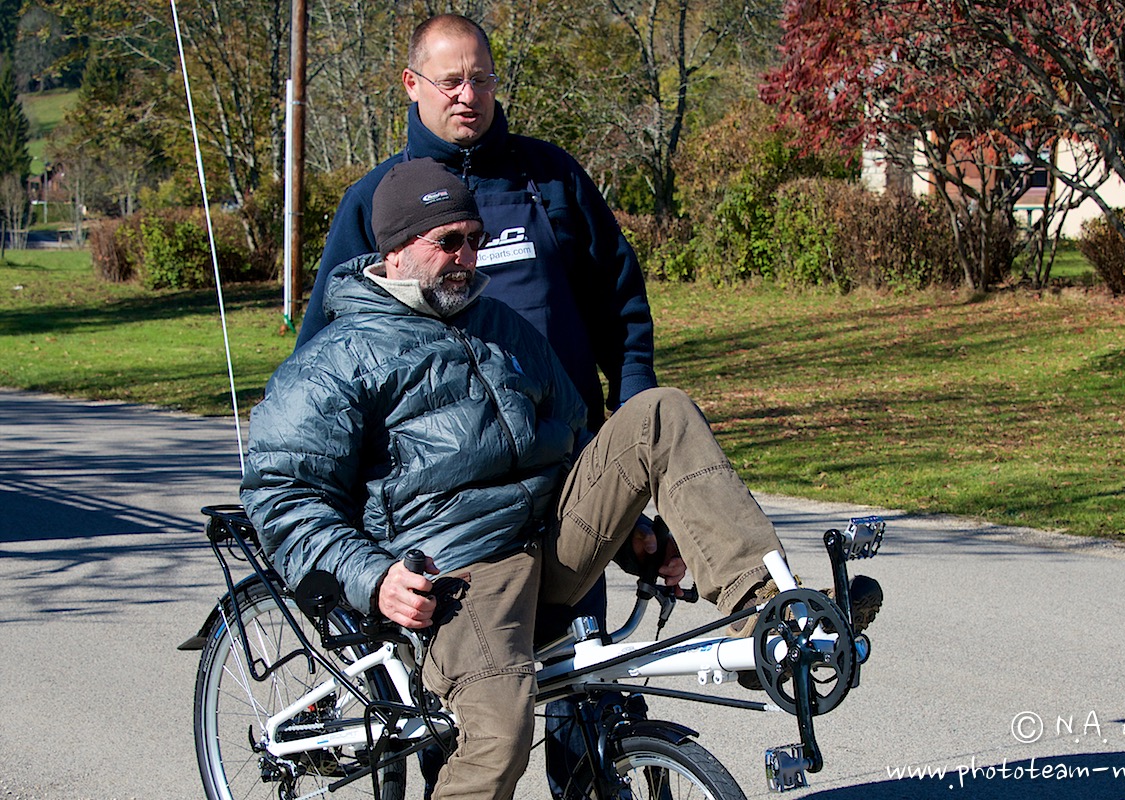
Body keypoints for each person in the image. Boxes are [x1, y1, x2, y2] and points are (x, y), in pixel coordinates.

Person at [242, 159, 789, 800]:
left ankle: (768, 617)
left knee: (658, 413)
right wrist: (375, 576)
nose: (468, 257)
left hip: (551, 542)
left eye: (474, 238)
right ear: (393, 251)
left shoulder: (501, 326)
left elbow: (575, 440)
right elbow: (280, 496)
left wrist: (633, 528)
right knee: (500, 738)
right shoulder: (337, 361)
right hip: (459, 575)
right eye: (448, 242)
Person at [299, 18, 655, 787]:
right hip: (447, 521)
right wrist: (361, 552)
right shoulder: (374, 202)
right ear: (412, 85)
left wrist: (631, 455)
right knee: (470, 729)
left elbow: (623, 318)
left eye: (483, 79)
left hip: (563, 486)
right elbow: (327, 373)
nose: (469, 96)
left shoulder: (552, 181)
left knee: (583, 699)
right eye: (451, 81)